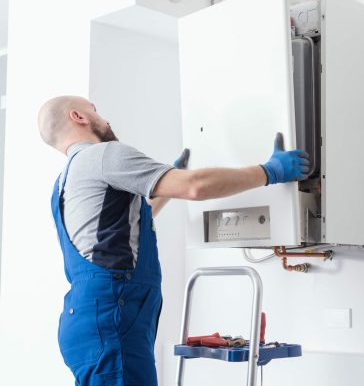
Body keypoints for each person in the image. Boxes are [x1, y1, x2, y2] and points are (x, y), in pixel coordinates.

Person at [38, 95, 310, 385]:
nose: (106, 119)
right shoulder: (104, 155)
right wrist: (270, 172)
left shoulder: (65, 180)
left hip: (86, 319)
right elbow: (195, 187)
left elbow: (129, 223)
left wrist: (162, 186)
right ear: (78, 117)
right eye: (96, 110)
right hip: (111, 316)